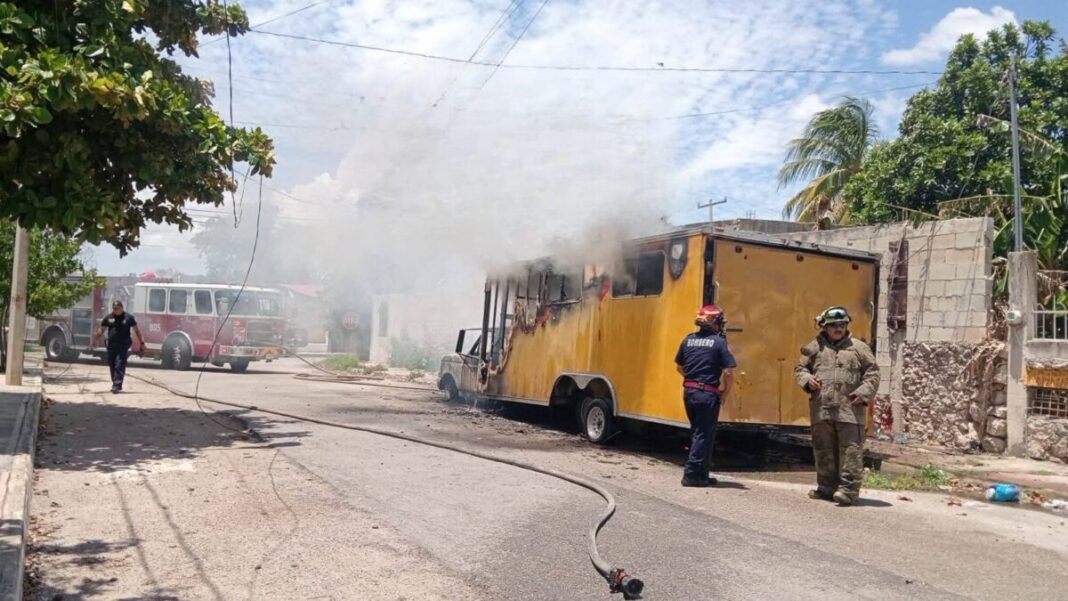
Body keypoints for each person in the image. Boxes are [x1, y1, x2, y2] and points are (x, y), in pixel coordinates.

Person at [794, 306, 879, 506]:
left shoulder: (859, 348)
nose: (839, 328)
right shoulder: (814, 347)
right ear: (825, 327)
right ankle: (826, 487)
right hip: (822, 407)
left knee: (850, 450)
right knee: (823, 448)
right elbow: (800, 368)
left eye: (842, 325)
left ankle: (848, 491)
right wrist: (807, 380)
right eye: (834, 325)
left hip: (849, 408)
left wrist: (864, 392)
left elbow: (873, 374)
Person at [674, 304, 736, 487]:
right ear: (715, 322)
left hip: (690, 393)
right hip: (707, 394)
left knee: (698, 433)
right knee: (703, 434)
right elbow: (728, 372)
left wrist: (692, 380)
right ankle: (692, 475)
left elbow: (679, 367)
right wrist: (725, 393)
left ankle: (702, 474)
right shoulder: (719, 342)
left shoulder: (688, 340)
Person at [92, 301, 145, 394]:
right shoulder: (109, 318)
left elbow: (137, 331)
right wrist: (95, 339)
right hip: (111, 345)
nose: (115, 310)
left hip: (123, 345)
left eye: (117, 308)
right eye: (114, 308)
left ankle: (117, 385)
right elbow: (102, 329)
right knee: (112, 364)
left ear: (122, 308)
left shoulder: (128, 318)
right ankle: (115, 382)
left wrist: (142, 343)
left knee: (119, 364)